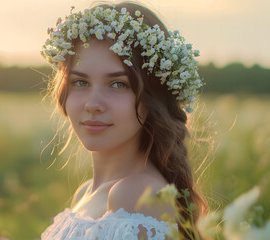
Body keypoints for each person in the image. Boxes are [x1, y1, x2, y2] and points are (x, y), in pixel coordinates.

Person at [40, 1, 208, 239]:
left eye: (118, 84)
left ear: (152, 98)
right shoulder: (86, 193)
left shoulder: (135, 194)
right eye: (80, 82)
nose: (92, 104)